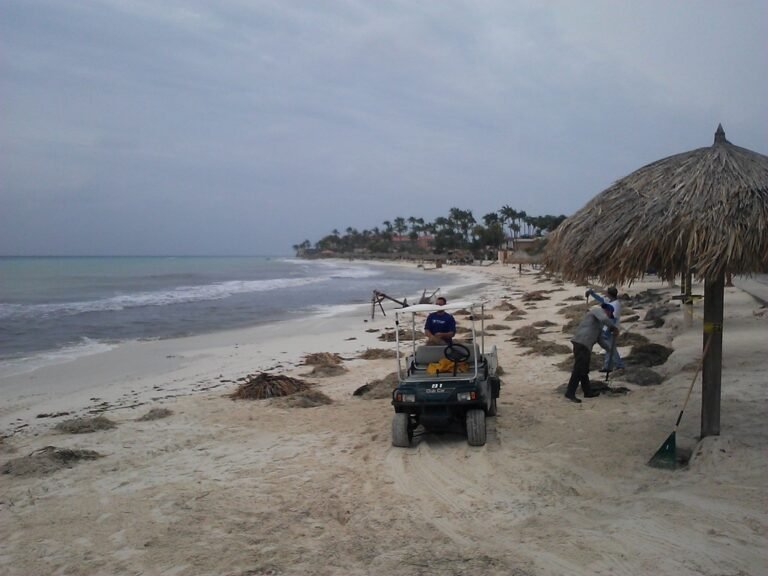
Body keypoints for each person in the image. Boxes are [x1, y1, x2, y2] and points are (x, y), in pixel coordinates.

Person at [565, 303, 619, 403]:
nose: (608, 317)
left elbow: (600, 339)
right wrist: (613, 328)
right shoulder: (597, 310)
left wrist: (610, 350)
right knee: (578, 369)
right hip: (581, 343)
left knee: (584, 370)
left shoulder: (599, 323)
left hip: (585, 345)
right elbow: (604, 319)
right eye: (609, 314)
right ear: (607, 310)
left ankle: (587, 392)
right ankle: (570, 393)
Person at [586, 286, 624, 371]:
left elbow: (613, 319)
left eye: (606, 293)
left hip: (611, 329)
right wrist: (592, 293)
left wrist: (608, 330)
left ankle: (616, 365)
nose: (605, 294)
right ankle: (612, 365)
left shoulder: (615, 305)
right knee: (610, 348)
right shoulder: (610, 301)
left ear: (609, 294)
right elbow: (601, 299)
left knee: (610, 348)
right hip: (608, 328)